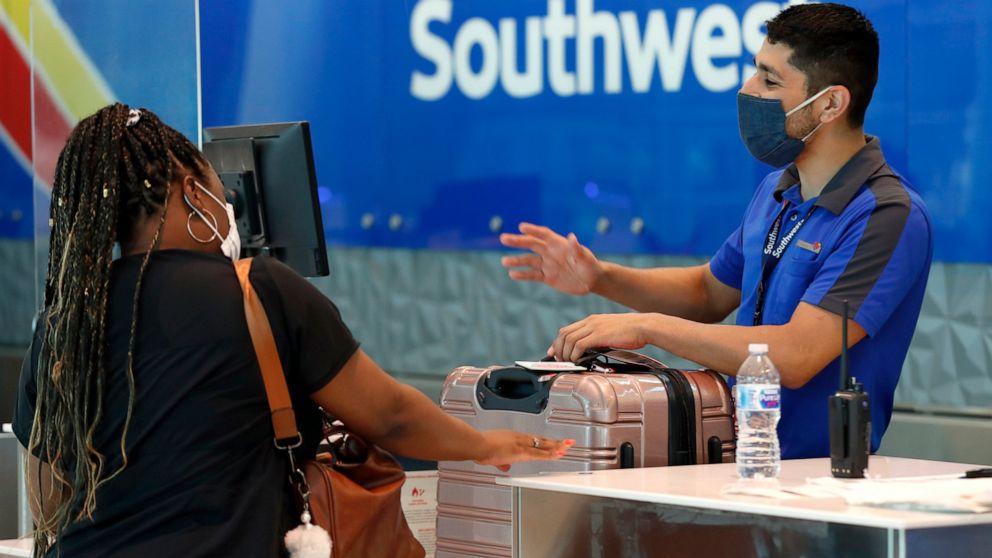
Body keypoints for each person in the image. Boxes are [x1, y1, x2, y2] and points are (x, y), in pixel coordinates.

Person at [12, 103, 572, 558]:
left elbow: (48, 496)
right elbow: (389, 416)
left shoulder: (64, 325)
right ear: (192, 192)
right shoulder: (257, 291)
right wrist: (485, 443)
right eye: (217, 187)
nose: (226, 204)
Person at [500, 3, 931, 460]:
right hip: (735, 462)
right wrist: (601, 277)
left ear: (830, 104)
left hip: (821, 477)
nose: (748, 89)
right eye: (755, 71)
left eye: (769, 80)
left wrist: (647, 327)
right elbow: (708, 291)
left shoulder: (887, 213)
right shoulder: (777, 190)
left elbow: (798, 355)